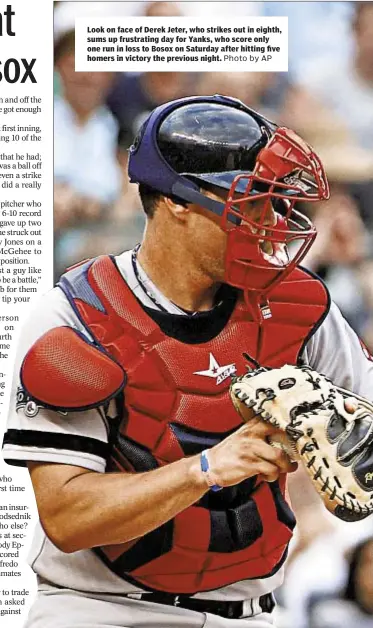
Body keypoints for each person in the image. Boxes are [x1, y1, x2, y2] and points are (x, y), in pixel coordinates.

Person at [3, 95, 373, 628]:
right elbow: (66, 516)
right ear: (178, 200)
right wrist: (206, 468)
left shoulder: (297, 304)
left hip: (248, 610)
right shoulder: (78, 317)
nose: (269, 223)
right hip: (98, 609)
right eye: (251, 202)